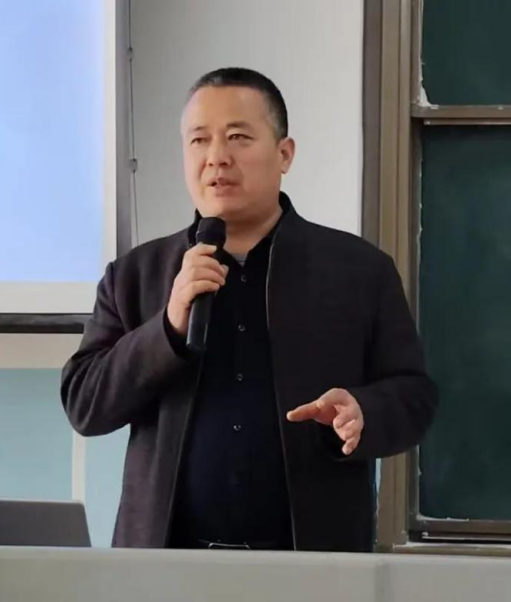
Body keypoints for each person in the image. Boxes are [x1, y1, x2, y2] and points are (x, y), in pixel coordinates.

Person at [61, 67, 437, 553]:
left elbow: (414, 396)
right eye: (199, 140)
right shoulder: (136, 274)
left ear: (285, 154)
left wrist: (364, 412)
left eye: (238, 137)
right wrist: (168, 328)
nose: (216, 157)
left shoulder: (359, 271)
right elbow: (85, 405)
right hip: (166, 566)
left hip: (311, 564)